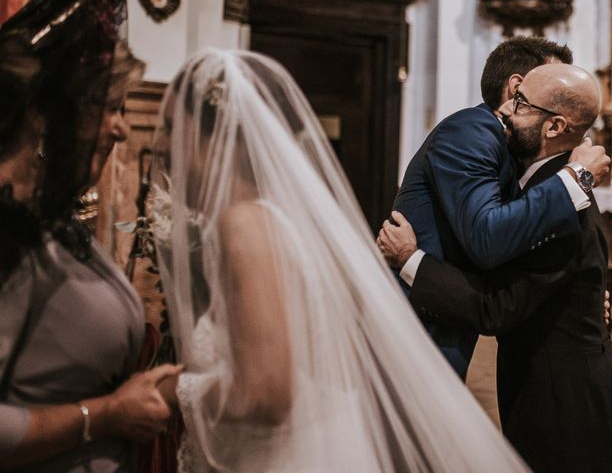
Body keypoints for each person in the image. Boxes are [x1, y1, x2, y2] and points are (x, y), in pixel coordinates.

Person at [150, 48, 533, 472]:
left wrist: (174, 390)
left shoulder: (246, 226)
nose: (160, 144)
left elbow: (266, 392)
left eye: (170, 126)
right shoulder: (280, 220)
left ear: (215, 136)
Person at [380, 63, 612, 473]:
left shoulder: (559, 207)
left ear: (553, 127)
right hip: (548, 382)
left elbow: (495, 308)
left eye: (520, 103)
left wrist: (410, 260)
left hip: (562, 398)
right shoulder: (539, 190)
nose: (506, 111)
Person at [0, 0, 181, 471]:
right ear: (59, 111)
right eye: (111, 107)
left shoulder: (51, 219)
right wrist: (103, 417)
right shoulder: (7, 227)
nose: (123, 129)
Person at [386, 36, 610, 379]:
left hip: (449, 308)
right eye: (550, 81)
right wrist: (575, 176)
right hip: (418, 318)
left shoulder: (513, 146)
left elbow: (526, 237)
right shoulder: (473, 131)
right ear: (518, 86)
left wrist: (580, 297)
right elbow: (488, 238)